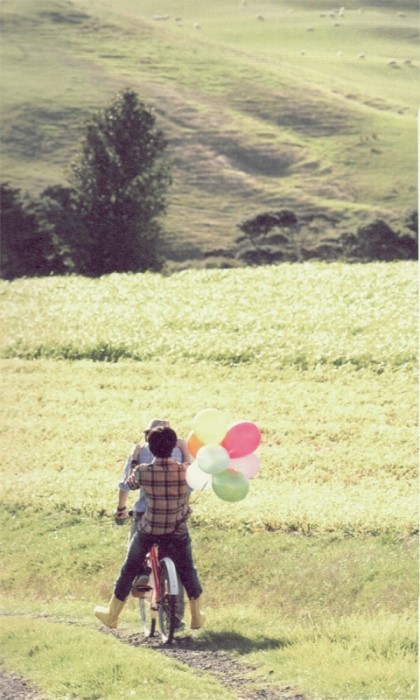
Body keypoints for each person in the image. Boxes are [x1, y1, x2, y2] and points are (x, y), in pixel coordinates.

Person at [94, 425, 205, 630]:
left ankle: (112, 615)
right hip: (177, 530)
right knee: (188, 569)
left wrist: (135, 457)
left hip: (150, 529)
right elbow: (195, 473)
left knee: (129, 568)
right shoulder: (185, 470)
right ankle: (196, 617)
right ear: (173, 447)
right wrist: (185, 449)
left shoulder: (143, 471)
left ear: (151, 449)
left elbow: (130, 483)